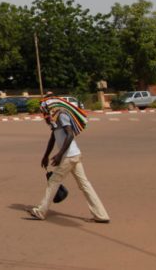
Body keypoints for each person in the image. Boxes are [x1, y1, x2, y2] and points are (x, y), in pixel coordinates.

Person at [28, 94, 110, 223]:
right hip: (73, 155)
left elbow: (70, 134)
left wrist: (60, 154)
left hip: (69, 156)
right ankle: (101, 215)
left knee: (54, 181)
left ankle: (40, 211)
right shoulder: (54, 117)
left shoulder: (61, 115)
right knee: (84, 185)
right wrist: (45, 155)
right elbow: (53, 137)